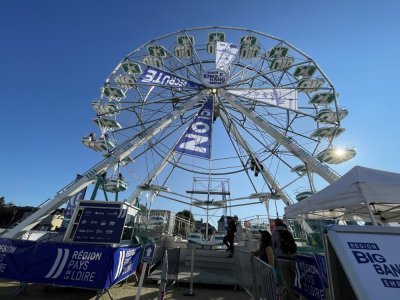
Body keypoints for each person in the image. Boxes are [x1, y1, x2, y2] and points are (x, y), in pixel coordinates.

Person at [272, 218, 297, 300]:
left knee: (286, 281)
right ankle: (295, 296)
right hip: (292, 258)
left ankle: (292, 298)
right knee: (293, 280)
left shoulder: (275, 233)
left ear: (276, 224)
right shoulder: (288, 232)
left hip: (282, 259)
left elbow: (274, 246)